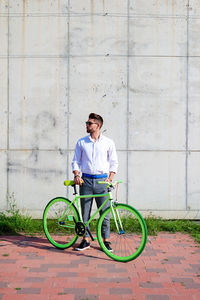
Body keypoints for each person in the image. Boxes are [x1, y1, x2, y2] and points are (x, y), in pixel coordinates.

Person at [72, 113, 118, 251]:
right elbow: (76, 161)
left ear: (97, 125)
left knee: (105, 213)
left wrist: (110, 178)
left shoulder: (108, 142)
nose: (86, 125)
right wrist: (76, 175)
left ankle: (106, 240)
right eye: (87, 123)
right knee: (84, 213)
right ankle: (85, 240)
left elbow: (114, 161)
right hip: (85, 181)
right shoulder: (81, 142)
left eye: (89, 123)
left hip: (102, 181)